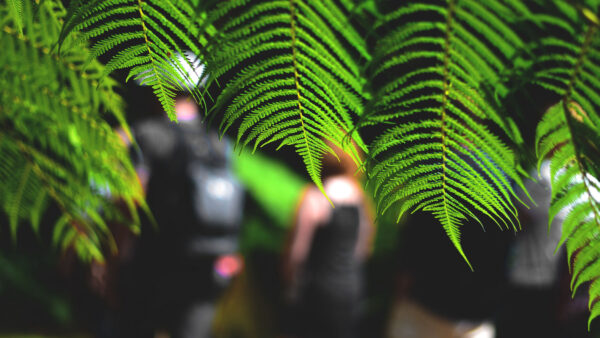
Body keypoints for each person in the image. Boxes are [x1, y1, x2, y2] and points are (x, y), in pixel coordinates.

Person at [282, 140, 374, 338]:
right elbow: (362, 250)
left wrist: (290, 286)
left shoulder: (315, 196)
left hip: (316, 294)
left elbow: (298, 252)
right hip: (350, 291)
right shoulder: (361, 200)